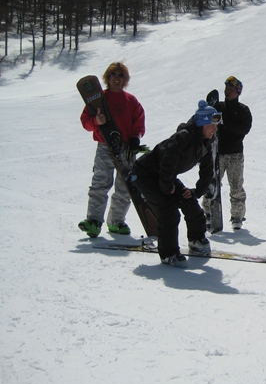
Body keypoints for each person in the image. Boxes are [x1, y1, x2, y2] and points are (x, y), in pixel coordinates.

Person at [130, 101, 221, 267]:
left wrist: (196, 192)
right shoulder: (183, 137)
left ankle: (196, 240)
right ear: (202, 123)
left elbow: (207, 171)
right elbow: (168, 161)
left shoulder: (206, 142)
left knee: (190, 202)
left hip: (165, 175)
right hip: (145, 174)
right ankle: (168, 254)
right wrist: (167, 187)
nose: (215, 129)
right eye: (212, 124)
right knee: (169, 211)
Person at [78, 62, 145, 238]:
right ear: (107, 77)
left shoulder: (131, 100)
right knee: (100, 183)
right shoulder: (98, 99)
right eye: (113, 74)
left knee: (125, 186)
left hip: (126, 148)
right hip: (105, 146)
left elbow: (139, 121)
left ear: (125, 79)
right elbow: (85, 121)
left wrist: (135, 139)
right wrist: (96, 122)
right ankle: (93, 221)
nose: (117, 78)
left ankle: (116, 221)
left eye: (121, 75)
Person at [217, 76, 252, 230]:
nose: (228, 91)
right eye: (226, 88)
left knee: (236, 187)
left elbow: (244, 129)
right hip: (217, 153)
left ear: (238, 92)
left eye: (231, 89)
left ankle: (237, 217)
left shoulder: (243, 110)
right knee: (211, 185)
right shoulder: (218, 107)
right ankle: (209, 213)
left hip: (234, 154)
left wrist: (225, 123)